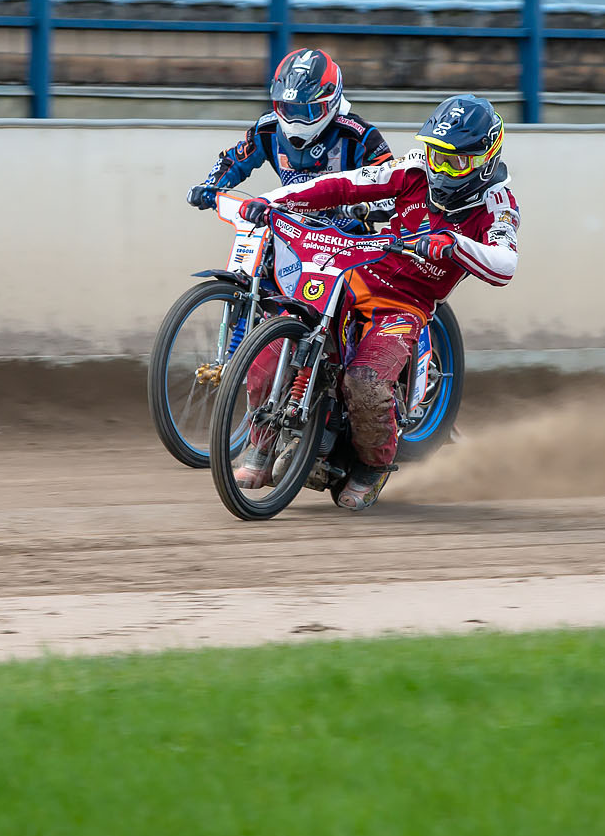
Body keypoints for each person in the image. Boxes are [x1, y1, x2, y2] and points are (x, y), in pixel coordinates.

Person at [232, 93, 519, 512]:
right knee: (272, 346)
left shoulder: (497, 205)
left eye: (453, 160)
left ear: (486, 158)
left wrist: (452, 244)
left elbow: (505, 264)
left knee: (365, 380)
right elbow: (346, 184)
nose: (439, 168)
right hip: (354, 275)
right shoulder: (413, 169)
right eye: (435, 153)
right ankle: (260, 443)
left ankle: (373, 466)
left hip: (405, 303)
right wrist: (274, 200)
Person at [188, 47, 395, 216]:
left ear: (331, 102)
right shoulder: (267, 130)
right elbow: (235, 160)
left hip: (347, 239)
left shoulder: (361, 136)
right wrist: (211, 186)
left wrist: (362, 207)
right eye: (289, 108)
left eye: (307, 110)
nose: (296, 121)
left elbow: (392, 189)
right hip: (287, 231)